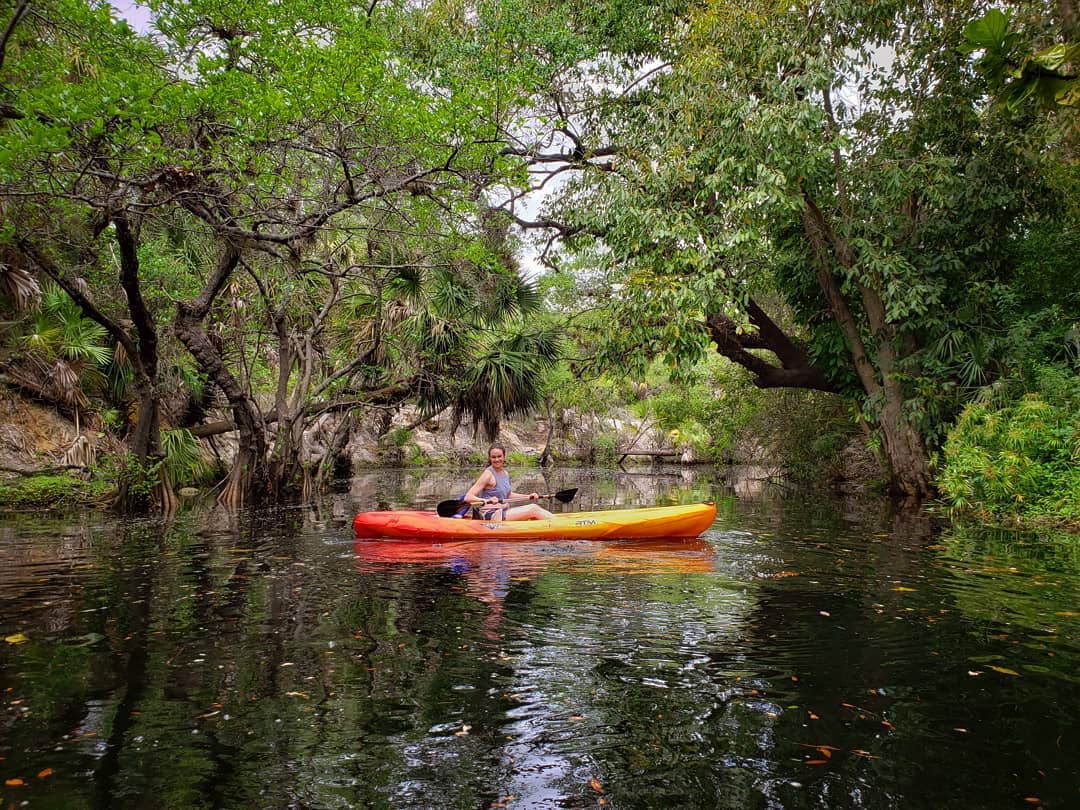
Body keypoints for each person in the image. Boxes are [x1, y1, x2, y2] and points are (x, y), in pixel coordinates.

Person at [464, 445, 553, 521]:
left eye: (499, 456)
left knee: (534, 507)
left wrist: (529, 496)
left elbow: (508, 494)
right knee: (533, 509)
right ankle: (559, 524)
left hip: (503, 511)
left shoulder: (505, 473)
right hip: (491, 515)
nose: (496, 459)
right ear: (490, 458)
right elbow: (468, 497)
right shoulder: (488, 474)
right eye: (493, 457)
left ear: (504, 457)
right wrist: (487, 500)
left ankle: (555, 521)